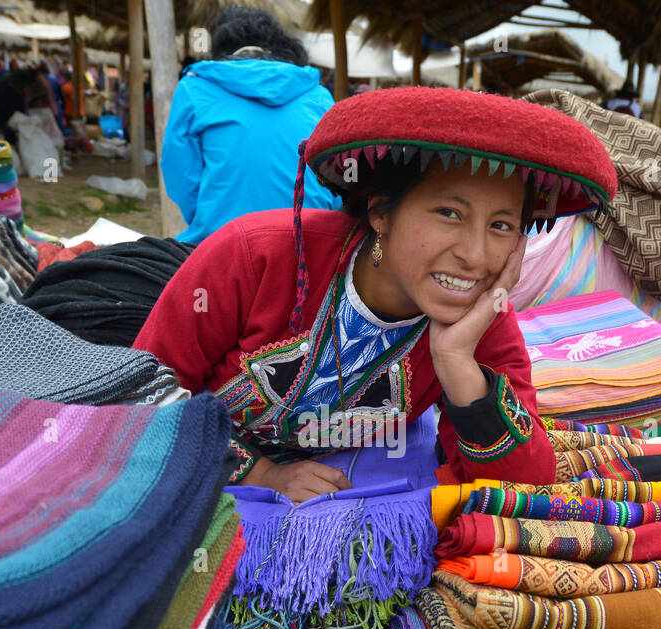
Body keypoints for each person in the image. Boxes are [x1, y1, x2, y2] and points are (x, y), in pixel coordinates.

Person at [134, 86, 617, 502]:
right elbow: (139, 394)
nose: (475, 254)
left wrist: (455, 363)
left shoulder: (481, 324)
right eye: (449, 212)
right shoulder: (255, 256)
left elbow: (522, 487)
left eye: (501, 225)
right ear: (381, 213)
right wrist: (262, 474)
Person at [159, 5, 341, 243]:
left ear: (220, 50)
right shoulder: (318, 96)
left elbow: (179, 172)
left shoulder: (194, 90)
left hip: (222, 241)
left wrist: (212, 216)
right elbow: (338, 180)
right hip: (309, 242)